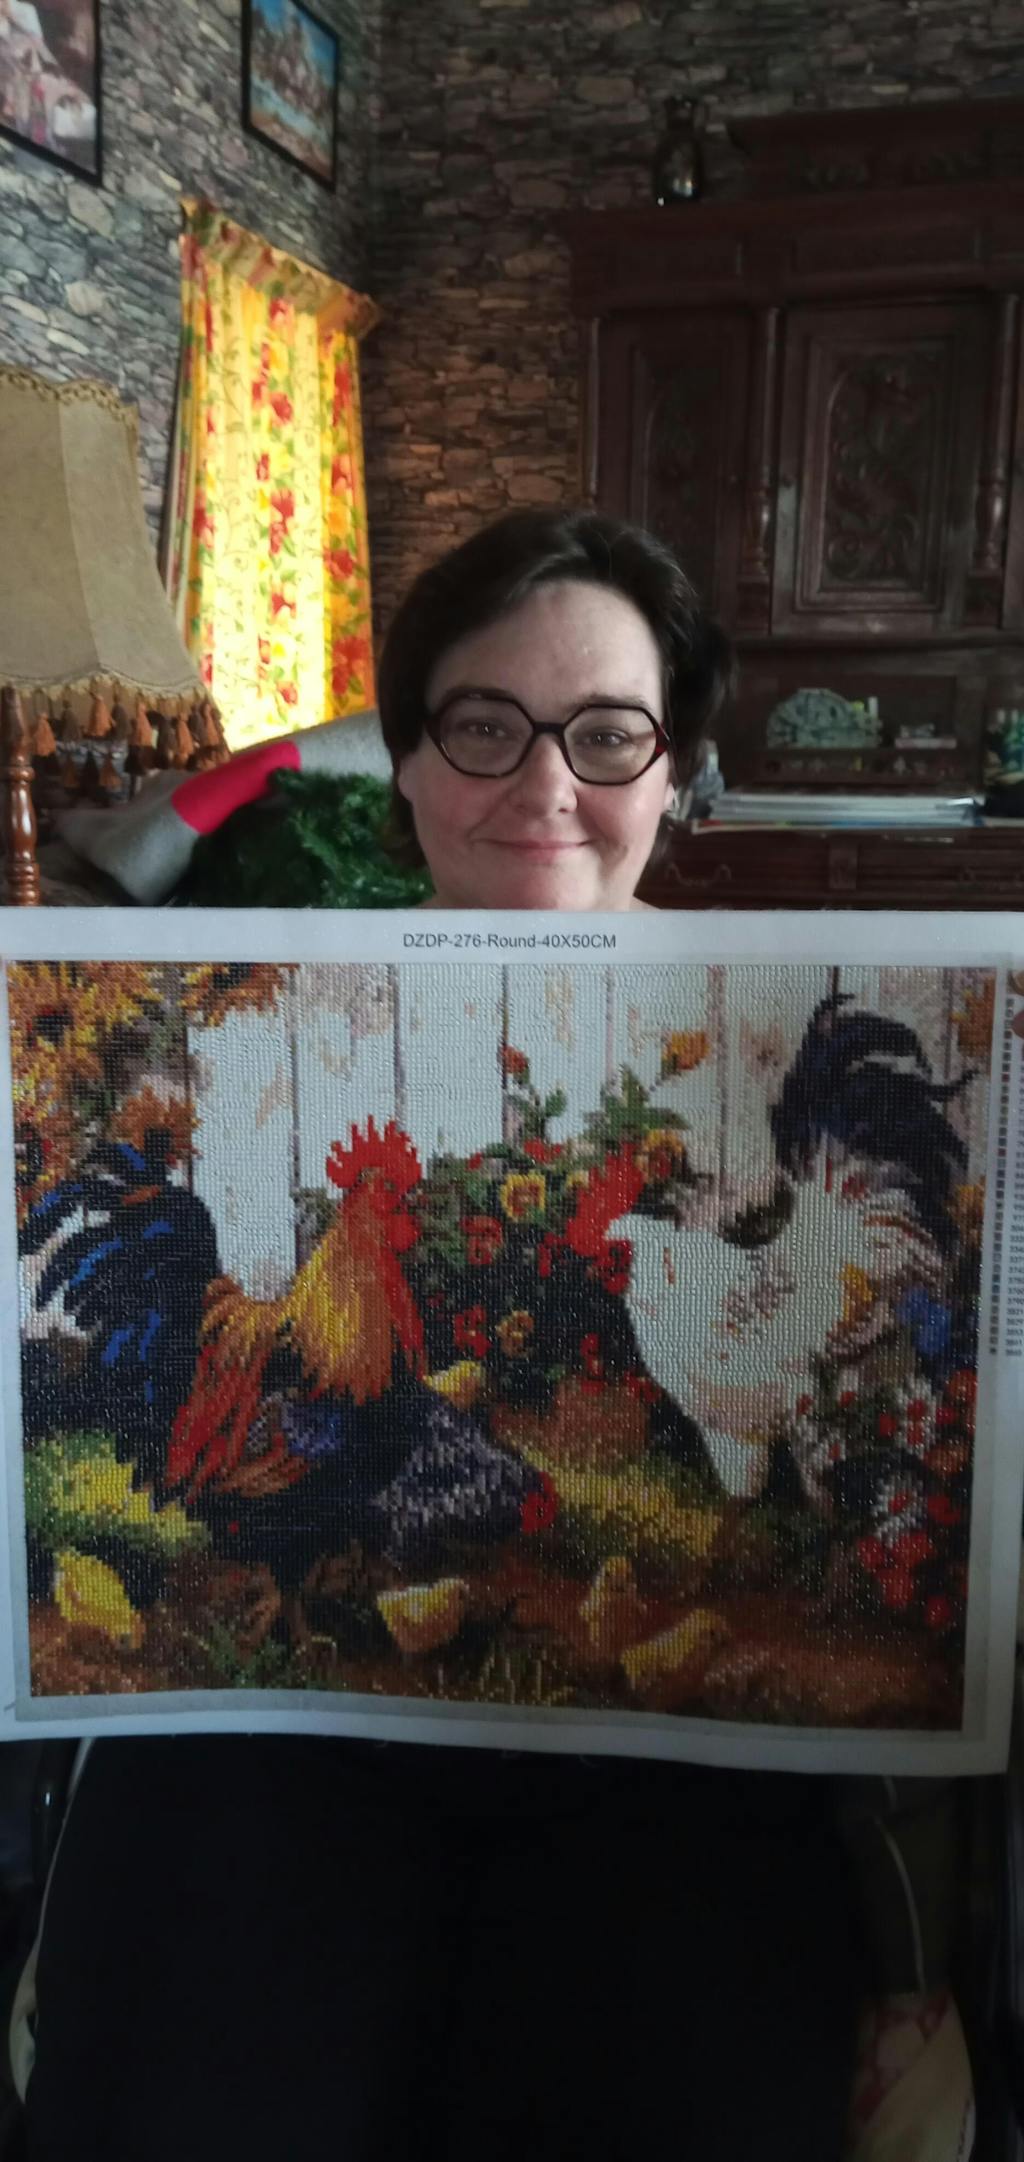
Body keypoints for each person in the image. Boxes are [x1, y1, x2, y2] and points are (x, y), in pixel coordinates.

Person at [17, 509, 865, 2162]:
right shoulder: (250, 1004)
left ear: (677, 770)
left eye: (607, 734)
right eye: (486, 726)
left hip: (683, 1761)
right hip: (270, 1739)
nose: (546, 784)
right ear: (404, 760)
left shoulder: (780, 1031)